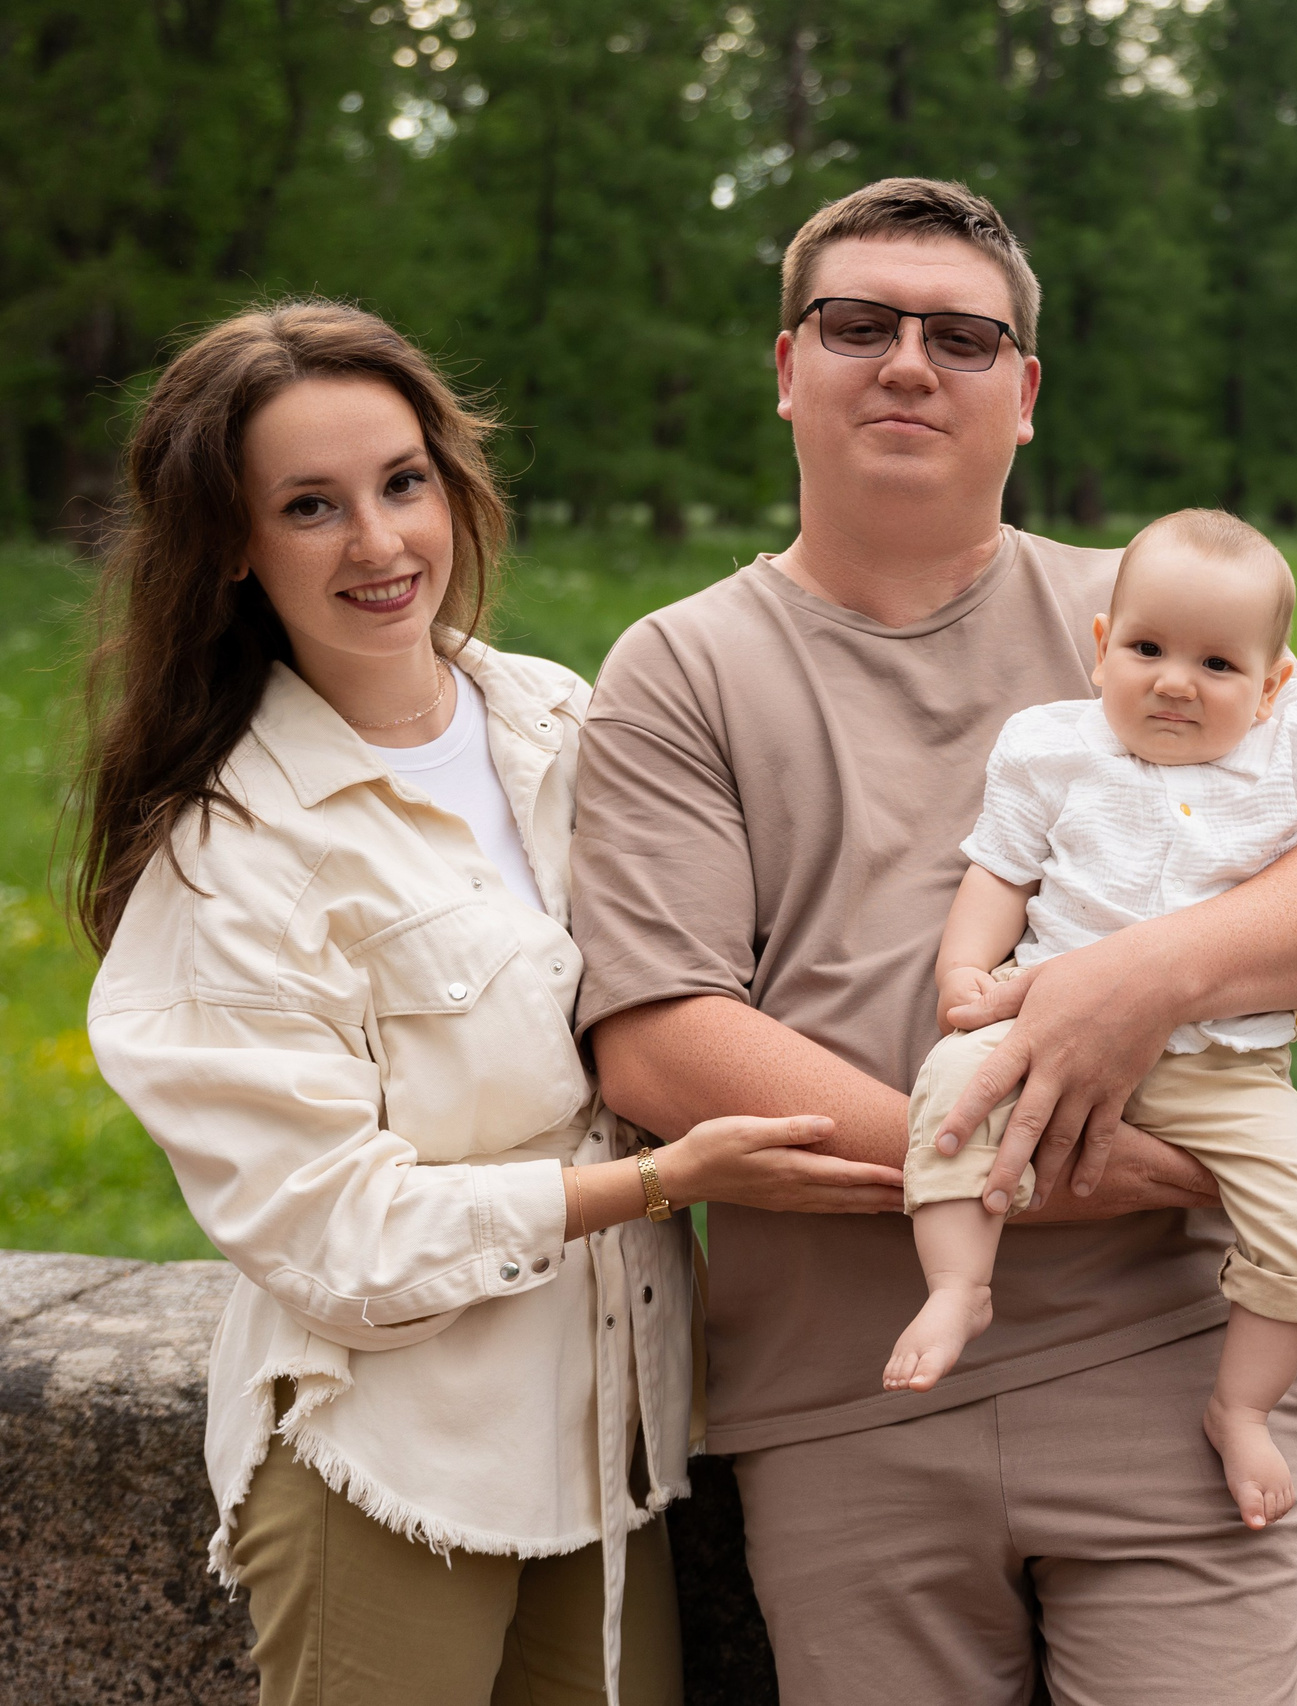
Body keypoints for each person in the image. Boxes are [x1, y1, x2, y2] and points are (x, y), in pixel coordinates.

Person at [571, 179, 1297, 1703]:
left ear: (1022, 394)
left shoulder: (1153, 611)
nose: (910, 361)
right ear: (789, 366)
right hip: (848, 1399)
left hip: (1172, 1370)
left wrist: (1133, 982)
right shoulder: (679, 668)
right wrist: (988, 1158)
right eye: (860, 324)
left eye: (963, 336)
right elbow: (655, 1035)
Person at [77, 301, 874, 1706]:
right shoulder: (232, 852)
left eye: (403, 482)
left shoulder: (560, 722)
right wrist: (649, 1185)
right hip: (390, 1460)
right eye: (310, 506)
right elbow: (333, 1232)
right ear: (233, 551)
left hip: (606, 1440)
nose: (381, 544)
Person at [889, 507, 1297, 1535]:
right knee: (952, 1094)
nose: (1175, 681)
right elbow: (999, 868)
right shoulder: (1052, 745)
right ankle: (958, 1282)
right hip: (1047, 1024)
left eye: (1218, 664)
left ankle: (1241, 1402)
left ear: (1271, 682)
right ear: (1102, 648)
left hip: (1225, 1067)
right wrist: (964, 966)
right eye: (1146, 649)